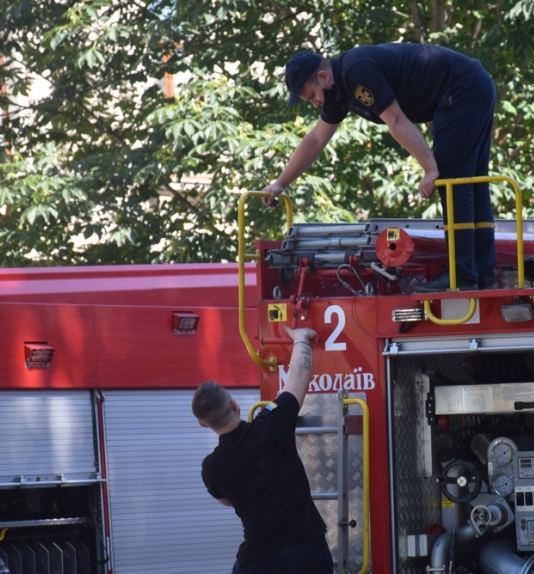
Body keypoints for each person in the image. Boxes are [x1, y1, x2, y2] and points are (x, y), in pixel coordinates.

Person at [263, 42, 498, 292]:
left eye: (311, 96)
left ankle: (463, 275)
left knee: (453, 183)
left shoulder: (356, 71)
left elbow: (395, 120)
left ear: (322, 77)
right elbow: (316, 139)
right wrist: (280, 183)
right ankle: (483, 274)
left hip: (462, 88)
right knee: (471, 183)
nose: (315, 103)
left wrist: (430, 168)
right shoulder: (338, 88)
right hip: (473, 85)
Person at [192, 326, 332, 574]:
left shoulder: (212, 468)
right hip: (308, 552)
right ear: (234, 405)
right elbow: (299, 375)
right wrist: (301, 337)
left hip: (260, 561)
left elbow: (226, 501)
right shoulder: (272, 425)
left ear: (202, 423)